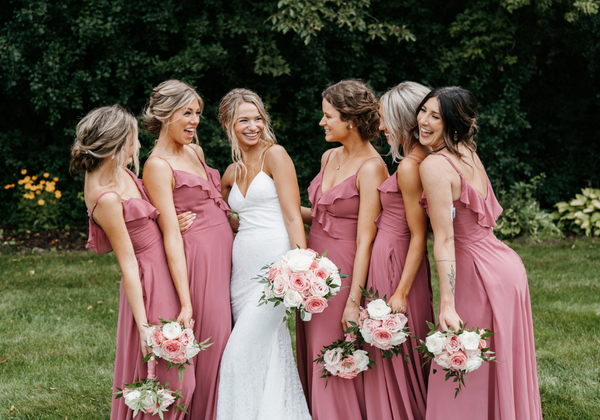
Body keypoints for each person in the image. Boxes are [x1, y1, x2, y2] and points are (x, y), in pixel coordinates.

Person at [417, 87, 542, 419]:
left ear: (453, 123)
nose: (424, 121)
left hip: (477, 272)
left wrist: (447, 302)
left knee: (460, 362)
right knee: (495, 363)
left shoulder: (434, 166)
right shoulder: (467, 151)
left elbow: (444, 240)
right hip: (505, 265)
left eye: (436, 117)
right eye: (423, 111)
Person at [71, 105, 195, 419]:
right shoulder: (106, 197)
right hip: (149, 283)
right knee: (173, 375)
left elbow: (145, 216)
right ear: (115, 145)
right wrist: (142, 328)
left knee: (177, 373)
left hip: (163, 269)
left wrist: (167, 223)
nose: (138, 146)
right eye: (133, 140)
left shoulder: (121, 172)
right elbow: (127, 264)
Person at [213, 88, 311, 419]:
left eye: (258, 119)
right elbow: (222, 214)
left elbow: (292, 214)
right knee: (266, 349)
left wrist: (302, 266)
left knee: (238, 354)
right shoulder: (231, 172)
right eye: (244, 120)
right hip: (241, 271)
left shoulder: (276, 156)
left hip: (275, 266)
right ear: (228, 123)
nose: (253, 126)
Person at [142, 80, 234, 420]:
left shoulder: (195, 151)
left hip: (226, 256)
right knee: (214, 340)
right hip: (197, 262)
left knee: (230, 337)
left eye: (197, 113)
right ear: (166, 115)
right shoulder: (157, 165)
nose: (194, 121)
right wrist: (185, 300)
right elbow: (169, 234)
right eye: (187, 113)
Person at [297, 80, 388, 420]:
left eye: (327, 116)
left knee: (335, 352)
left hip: (347, 271)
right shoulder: (328, 155)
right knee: (313, 348)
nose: (322, 122)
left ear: (350, 120)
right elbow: (318, 214)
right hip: (310, 268)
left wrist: (354, 301)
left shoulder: (372, 167)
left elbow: (367, 238)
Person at [362, 82, 434, 420]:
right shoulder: (415, 161)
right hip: (391, 256)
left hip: (397, 262)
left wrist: (401, 292)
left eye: (384, 119)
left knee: (396, 343)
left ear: (402, 120)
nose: (380, 127)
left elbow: (419, 235)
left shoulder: (409, 167)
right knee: (392, 344)